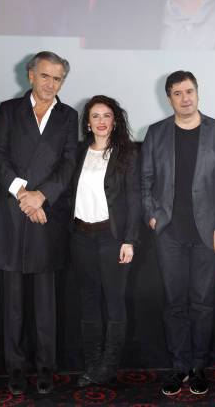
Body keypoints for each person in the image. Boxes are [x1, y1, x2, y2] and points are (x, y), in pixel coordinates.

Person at [141, 70, 215, 396]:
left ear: (198, 93)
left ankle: (198, 367)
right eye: (178, 93)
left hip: (208, 234)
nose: (185, 98)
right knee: (174, 304)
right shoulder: (155, 133)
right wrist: (153, 216)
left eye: (190, 91)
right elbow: (146, 181)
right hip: (169, 233)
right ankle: (178, 367)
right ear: (169, 98)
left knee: (203, 304)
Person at [0, 51, 78, 395]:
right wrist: (22, 192)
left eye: (57, 79)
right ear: (30, 76)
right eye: (45, 76)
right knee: (12, 304)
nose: (50, 84)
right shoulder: (9, 111)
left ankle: (45, 368)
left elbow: (69, 163)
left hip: (46, 216)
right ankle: (15, 368)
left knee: (45, 305)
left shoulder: (69, 116)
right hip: (12, 214)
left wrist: (42, 196)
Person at [70, 95, 140, 386]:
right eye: (95, 116)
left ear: (115, 121)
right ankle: (92, 365)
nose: (101, 121)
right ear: (87, 122)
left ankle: (108, 367)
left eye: (106, 115)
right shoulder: (77, 152)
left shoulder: (126, 153)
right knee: (88, 302)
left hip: (112, 238)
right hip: (81, 236)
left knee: (113, 301)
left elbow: (134, 200)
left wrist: (129, 240)